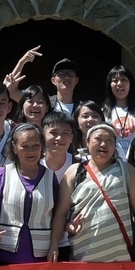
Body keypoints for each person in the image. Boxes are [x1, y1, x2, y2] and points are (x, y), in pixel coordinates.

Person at [49, 123, 135, 263]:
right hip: (83, 258)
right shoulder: (74, 172)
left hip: (122, 258)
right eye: (98, 139)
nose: (103, 144)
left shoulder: (127, 171)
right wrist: (54, 245)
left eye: (109, 141)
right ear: (87, 142)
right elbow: (61, 212)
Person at [0, 123, 59, 264]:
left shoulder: (50, 177)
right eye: (24, 146)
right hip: (5, 256)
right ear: (15, 148)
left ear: (42, 146)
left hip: (41, 258)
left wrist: (54, 245)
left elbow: (56, 216)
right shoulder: (2, 175)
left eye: (35, 145)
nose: (31, 151)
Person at [41, 110, 79, 260]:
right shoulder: (33, 165)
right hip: (37, 241)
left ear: (72, 138)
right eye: (53, 132)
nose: (59, 138)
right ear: (43, 135)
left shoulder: (80, 167)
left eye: (65, 133)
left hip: (69, 242)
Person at [103, 65, 135, 158]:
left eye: (124, 79)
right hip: (113, 162)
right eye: (115, 80)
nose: (119, 83)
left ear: (130, 84)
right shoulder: (103, 112)